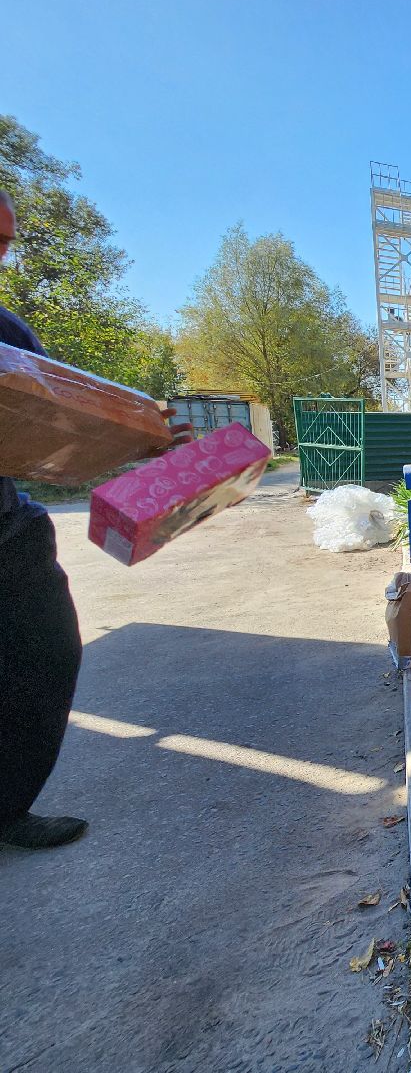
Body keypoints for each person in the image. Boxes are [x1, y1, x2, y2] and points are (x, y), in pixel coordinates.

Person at [0, 188, 189, 849]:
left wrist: (151, 441)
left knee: (45, 652)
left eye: (6, 239)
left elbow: (64, 434)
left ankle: (7, 806)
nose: (3, 250)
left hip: (6, 532)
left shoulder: (11, 339)